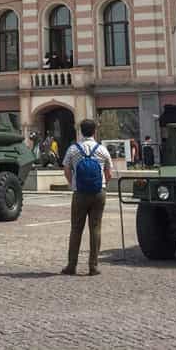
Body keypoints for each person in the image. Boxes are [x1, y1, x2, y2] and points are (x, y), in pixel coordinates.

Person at [60, 119, 113, 277]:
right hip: (98, 192)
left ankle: (71, 265)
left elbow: (67, 170)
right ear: (94, 131)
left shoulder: (73, 149)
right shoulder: (102, 150)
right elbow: (109, 173)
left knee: (76, 229)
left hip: (80, 193)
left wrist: (72, 184)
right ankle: (93, 266)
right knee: (95, 228)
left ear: (81, 131)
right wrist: (103, 184)